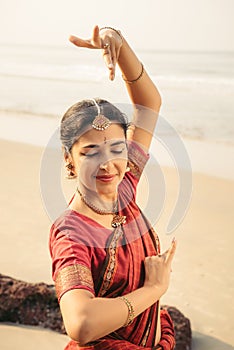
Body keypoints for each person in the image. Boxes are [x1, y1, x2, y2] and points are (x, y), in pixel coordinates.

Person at [49, 25, 177, 350]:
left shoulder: (124, 187)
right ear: (69, 159)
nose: (108, 165)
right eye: (90, 152)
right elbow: (81, 323)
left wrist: (118, 42)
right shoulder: (71, 233)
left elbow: (150, 101)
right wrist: (154, 290)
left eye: (117, 149)